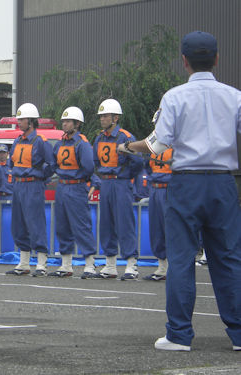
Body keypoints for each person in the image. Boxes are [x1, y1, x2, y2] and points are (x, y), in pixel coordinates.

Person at [118, 31, 241, 352]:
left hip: (186, 182)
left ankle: (179, 334)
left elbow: (158, 145)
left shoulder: (174, 97)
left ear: (184, 61)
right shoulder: (234, 95)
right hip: (224, 182)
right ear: (216, 59)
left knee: (182, 258)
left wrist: (128, 146)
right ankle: (240, 334)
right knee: (228, 259)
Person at [92, 98, 144, 280]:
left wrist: (124, 174)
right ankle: (110, 264)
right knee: (106, 223)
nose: (102, 119)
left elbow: (138, 161)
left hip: (121, 183)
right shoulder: (99, 138)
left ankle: (131, 264)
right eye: (101, 116)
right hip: (105, 183)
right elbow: (96, 161)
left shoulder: (126, 137)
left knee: (124, 222)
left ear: (115, 118)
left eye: (105, 116)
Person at [5, 103, 55, 277]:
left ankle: (41, 263)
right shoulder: (17, 140)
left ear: (32, 121)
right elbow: (11, 162)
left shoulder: (40, 141)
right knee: (18, 223)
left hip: (33, 185)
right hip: (18, 185)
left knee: (35, 222)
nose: (19, 122)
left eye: (23, 119)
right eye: (19, 119)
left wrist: (40, 176)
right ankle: (24, 262)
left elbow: (51, 163)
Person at [49, 107, 98, 278]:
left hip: (76, 187)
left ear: (77, 124)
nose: (64, 124)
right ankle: (66, 265)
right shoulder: (61, 143)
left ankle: (90, 264)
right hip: (62, 187)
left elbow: (89, 167)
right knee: (62, 226)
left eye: (68, 121)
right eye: (63, 121)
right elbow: (54, 163)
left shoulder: (82, 143)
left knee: (81, 225)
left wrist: (77, 179)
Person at [143, 146, 173, 281]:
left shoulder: (177, 145)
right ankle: (162, 267)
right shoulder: (153, 147)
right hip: (155, 189)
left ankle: (173, 267)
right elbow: (147, 167)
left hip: (170, 190)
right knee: (156, 227)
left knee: (171, 227)